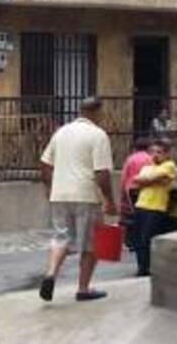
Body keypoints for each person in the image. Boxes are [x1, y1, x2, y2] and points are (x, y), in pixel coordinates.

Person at [39, 97, 117, 303]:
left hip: (60, 193)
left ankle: (50, 274)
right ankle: (83, 288)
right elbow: (101, 173)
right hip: (86, 195)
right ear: (97, 111)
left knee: (61, 237)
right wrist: (109, 199)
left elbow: (45, 164)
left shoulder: (61, 132)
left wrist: (49, 188)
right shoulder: (98, 135)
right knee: (91, 244)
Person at [130, 138, 175, 277]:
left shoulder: (169, 166)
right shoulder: (148, 167)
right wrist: (151, 180)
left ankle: (148, 268)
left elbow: (145, 179)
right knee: (138, 240)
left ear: (167, 154)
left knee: (147, 239)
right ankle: (142, 267)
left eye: (159, 152)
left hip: (156, 208)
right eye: (153, 152)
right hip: (141, 205)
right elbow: (135, 182)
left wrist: (147, 180)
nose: (155, 155)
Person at [121, 136, 154, 252]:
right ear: (148, 147)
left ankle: (131, 242)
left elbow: (124, 177)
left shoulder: (130, 159)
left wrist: (122, 196)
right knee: (143, 216)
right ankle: (141, 240)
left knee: (132, 215)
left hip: (131, 190)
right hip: (145, 190)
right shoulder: (150, 159)